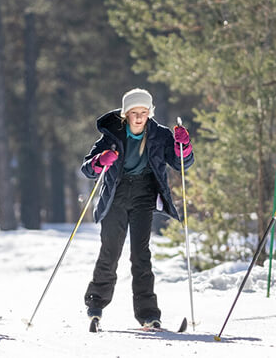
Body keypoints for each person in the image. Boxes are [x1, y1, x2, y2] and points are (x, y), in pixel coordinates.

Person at [81, 88, 194, 328]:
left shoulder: (160, 135)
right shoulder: (112, 135)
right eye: (135, 112)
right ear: (125, 115)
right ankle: (96, 304)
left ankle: (148, 314)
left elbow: (181, 164)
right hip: (116, 195)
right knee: (110, 250)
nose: (140, 117)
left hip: (144, 194)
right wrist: (100, 161)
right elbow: (88, 169)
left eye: (144, 112)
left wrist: (183, 147)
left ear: (150, 113)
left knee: (141, 255)